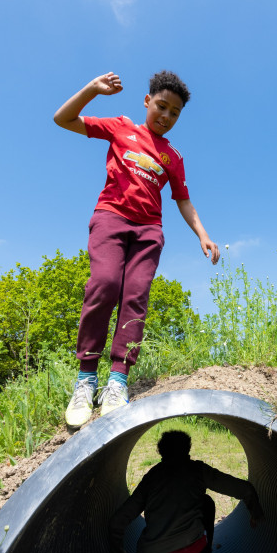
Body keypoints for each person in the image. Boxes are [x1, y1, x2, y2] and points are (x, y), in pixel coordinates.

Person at [53, 71, 220, 428]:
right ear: (147, 101)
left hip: (149, 230)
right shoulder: (120, 127)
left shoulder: (173, 156)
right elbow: (62, 119)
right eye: (162, 106)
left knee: (135, 298)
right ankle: (85, 380)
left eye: (175, 113)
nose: (166, 116)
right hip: (111, 218)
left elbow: (183, 200)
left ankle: (117, 380)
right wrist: (91, 90)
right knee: (104, 285)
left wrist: (203, 235)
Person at [109, 430, 264, 553]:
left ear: (160, 451)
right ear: (188, 449)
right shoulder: (197, 470)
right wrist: (256, 514)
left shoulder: (151, 478)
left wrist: (118, 552)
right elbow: (245, 489)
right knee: (207, 503)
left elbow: (117, 522)